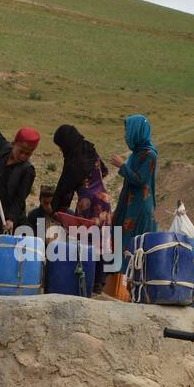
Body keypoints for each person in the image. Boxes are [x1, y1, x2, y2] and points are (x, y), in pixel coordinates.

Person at [52, 123, 113, 290]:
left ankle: (87, 279)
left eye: (61, 146)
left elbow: (65, 187)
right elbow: (105, 171)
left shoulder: (74, 159)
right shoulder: (90, 149)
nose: (61, 150)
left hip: (88, 203)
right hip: (104, 200)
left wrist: (58, 208)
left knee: (86, 242)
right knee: (102, 240)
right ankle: (99, 282)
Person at [0, 107, 38, 241]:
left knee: (0, 245)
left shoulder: (28, 171)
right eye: (21, 151)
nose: (23, 156)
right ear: (14, 144)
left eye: (28, 154)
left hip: (6, 214)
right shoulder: (6, 150)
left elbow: (20, 198)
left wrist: (11, 219)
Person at [110, 114, 158, 262]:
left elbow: (140, 180)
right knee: (119, 244)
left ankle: (126, 282)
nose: (125, 136)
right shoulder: (136, 154)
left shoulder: (149, 155)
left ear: (136, 131)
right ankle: (117, 280)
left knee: (132, 249)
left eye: (127, 131)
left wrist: (122, 166)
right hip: (129, 205)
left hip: (139, 209)